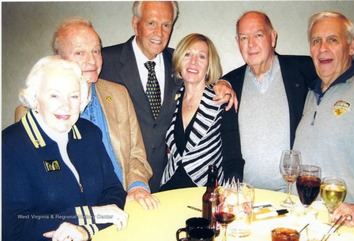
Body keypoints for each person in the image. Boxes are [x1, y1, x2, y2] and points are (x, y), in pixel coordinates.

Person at [15, 18, 159, 209]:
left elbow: (137, 153)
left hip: (124, 202)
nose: (91, 60)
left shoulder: (119, 94)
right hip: (70, 217)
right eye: (80, 52)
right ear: (59, 58)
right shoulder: (32, 112)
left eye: (96, 51)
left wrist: (136, 186)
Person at [100, 1, 236, 192]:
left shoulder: (176, 61)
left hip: (165, 184)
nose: (159, 33)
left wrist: (225, 83)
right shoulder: (104, 62)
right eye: (151, 23)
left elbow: (203, 77)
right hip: (119, 182)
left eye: (166, 25)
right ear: (135, 23)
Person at [2, 56, 128, 241]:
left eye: (74, 96)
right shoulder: (10, 145)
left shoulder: (89, 133)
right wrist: (89, 215)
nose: (66, 105)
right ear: (35, 97)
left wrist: (87, 230)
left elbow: (114, 191)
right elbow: (14, 227)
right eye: (54, 95)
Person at [221, 11, 318, 191]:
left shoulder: (303, 70)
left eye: (258, 35)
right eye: (244, 38)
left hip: (292, 196)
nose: (251, 44)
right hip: (246, 197)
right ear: (237, 43)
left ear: (272, 37)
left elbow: (338, 73)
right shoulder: (230, 83)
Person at [293, 11, 354, 227]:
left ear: (352, 46)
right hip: (301, 220)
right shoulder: (310, 93)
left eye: (333, 39)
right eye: (316, 41)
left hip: (343, 225)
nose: (323, 48)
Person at [159, 34, 243, 191]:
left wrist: (233, 192)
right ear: (178, 60)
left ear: (209, 66)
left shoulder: (222, 100)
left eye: (201, 57)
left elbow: (233, 157)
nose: (193, 62)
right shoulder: (171, 99)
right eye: (187, 54)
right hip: (168, 191)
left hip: (206, 195)